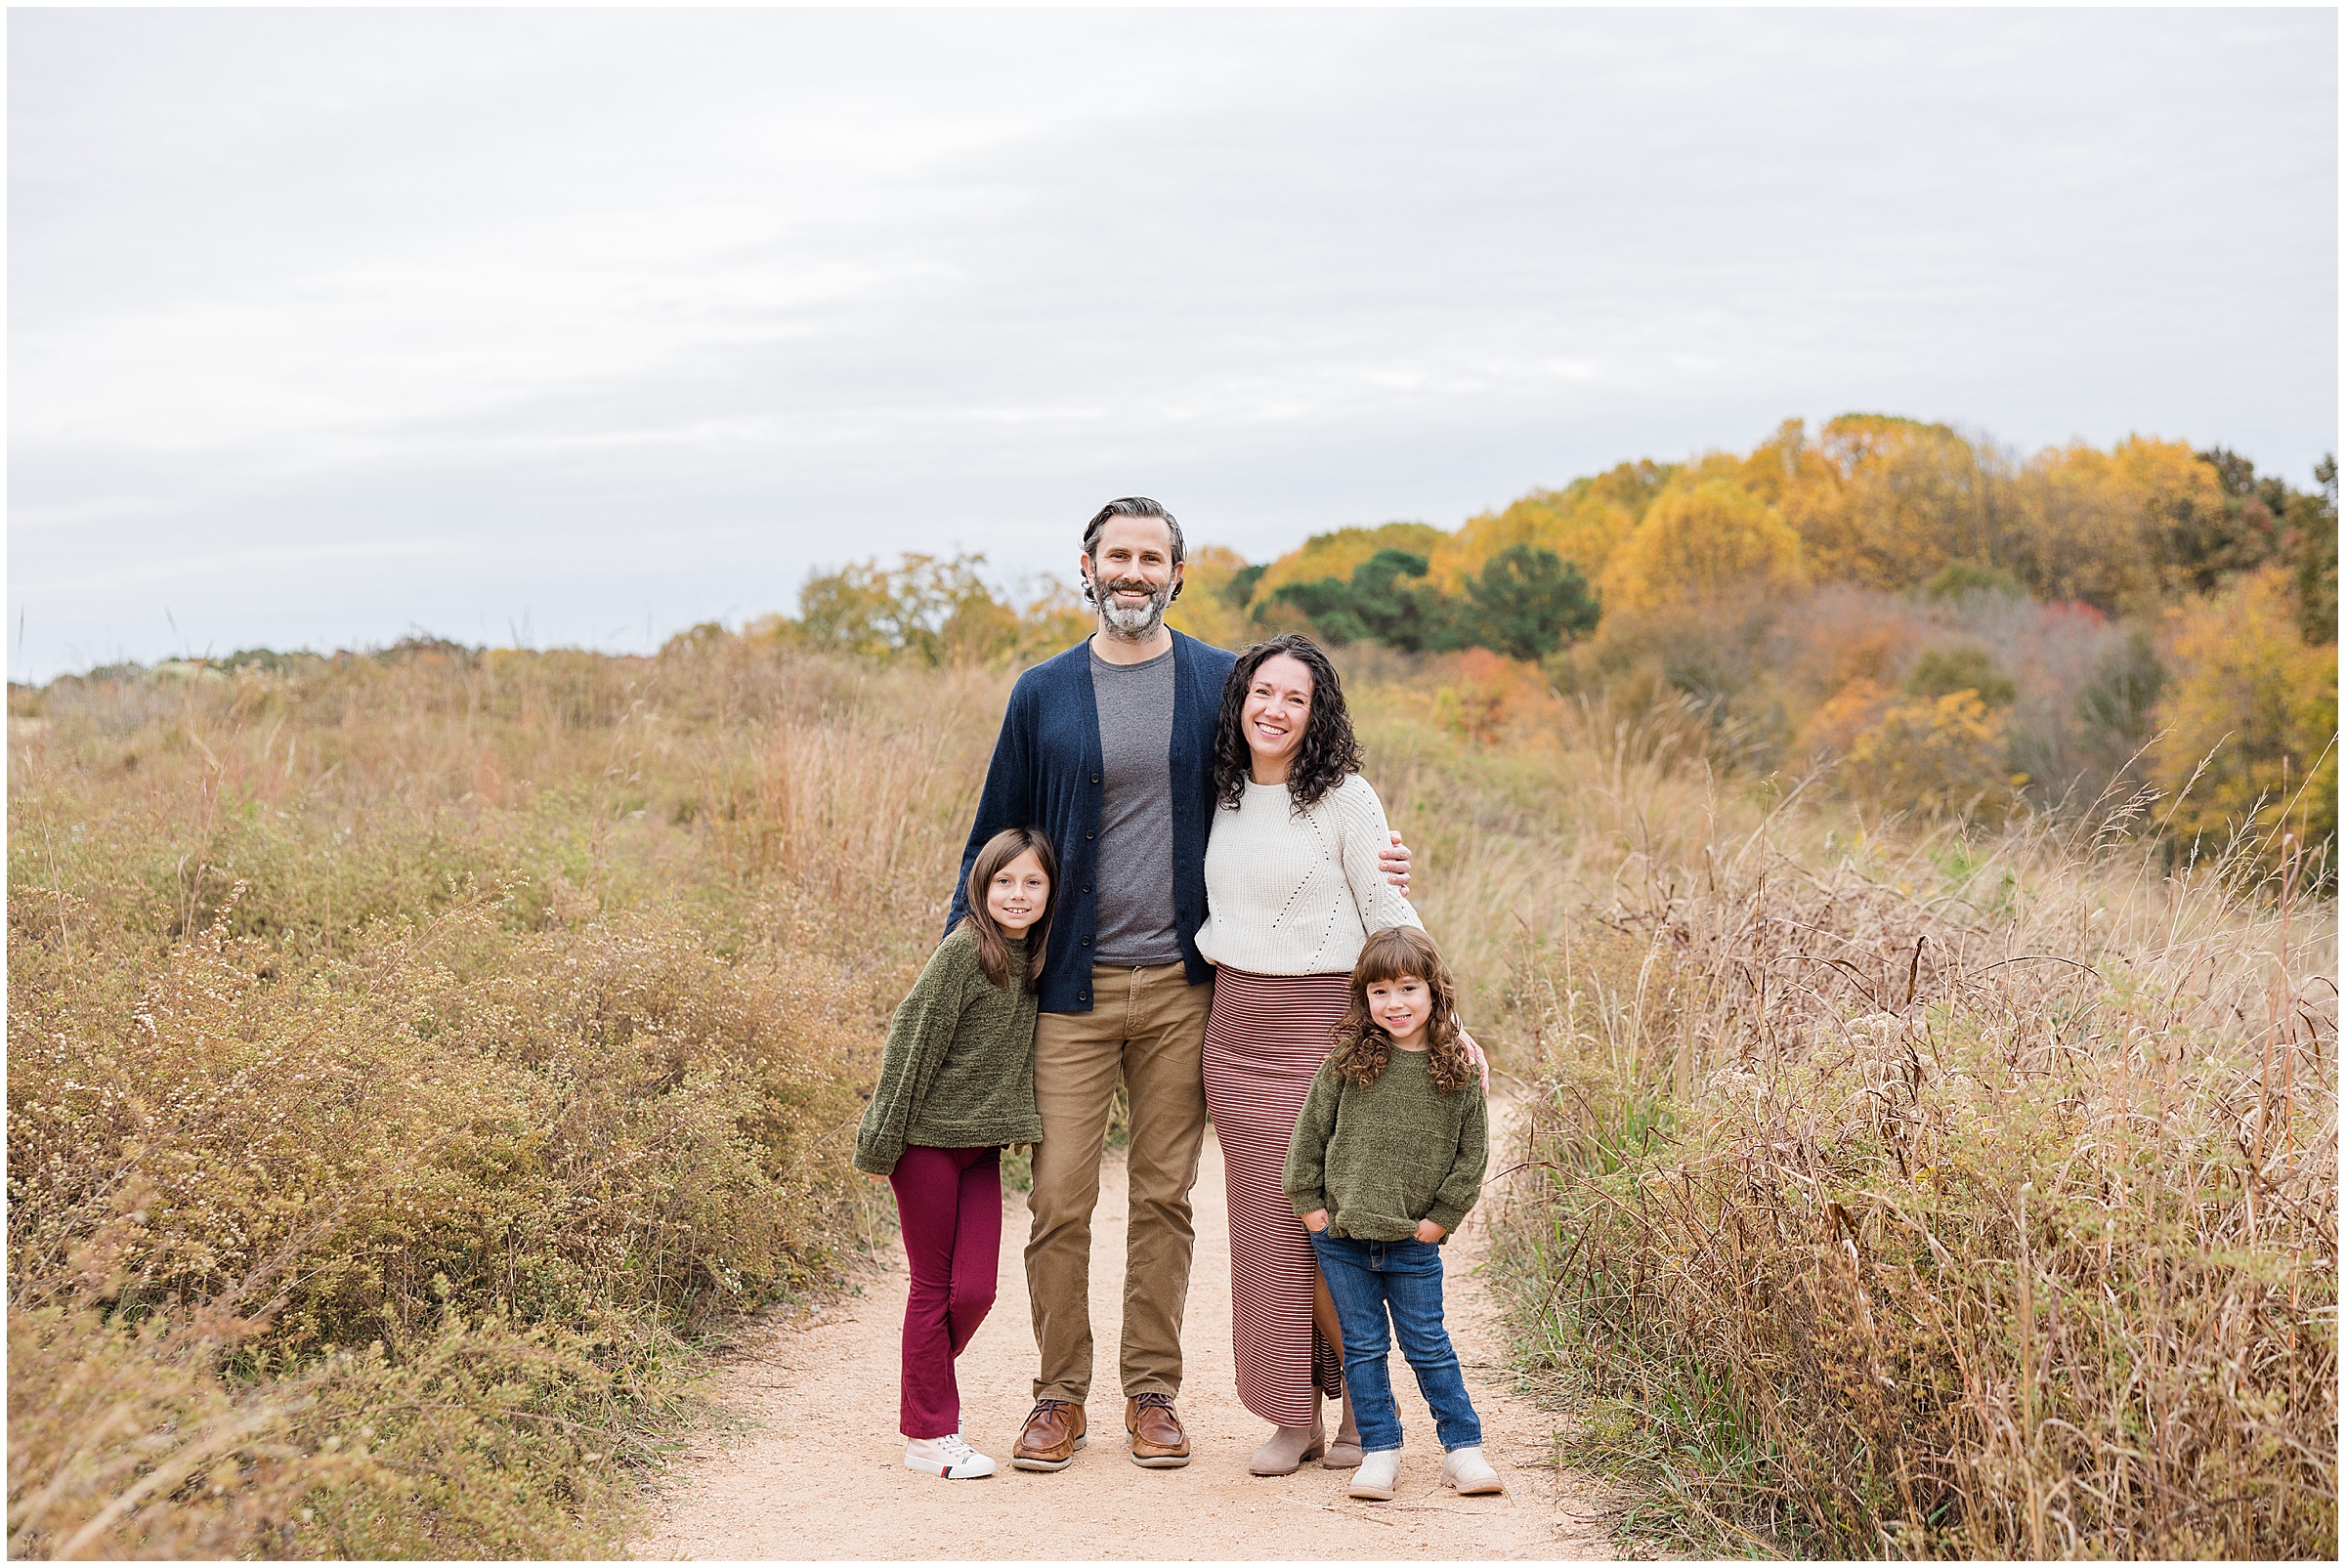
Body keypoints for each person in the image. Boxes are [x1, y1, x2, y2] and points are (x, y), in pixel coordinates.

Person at [945, 497, 1415, 1473]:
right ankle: (1057, 1397)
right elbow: (993, 840)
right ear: (1086, 566)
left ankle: (1152, 1392)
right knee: (1063, 1198)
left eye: (1151, 557)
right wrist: (965, 972)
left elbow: (1295, 780)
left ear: (1175, 574)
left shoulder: (1216, 682)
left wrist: (1375, 862)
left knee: (1165, 1197)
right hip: (1068, 991)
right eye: (1116, 554)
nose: (1133, 571)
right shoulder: (1042, 694)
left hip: (1186, 991)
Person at [1193, 632, 1425, 1476]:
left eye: (1296, 697)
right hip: (1236, 1030)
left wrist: (1439, 1012)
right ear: (1240, 701)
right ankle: (1292, 1415)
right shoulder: (1215, 791)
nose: (1275, 709)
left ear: (1317, 712)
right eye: (1263, 692)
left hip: (1323, 1031)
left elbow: (1387, 904)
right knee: (1262, 1235)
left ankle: (1369, 1407)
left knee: (1330, 1229)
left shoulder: (1344, 798)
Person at [855, 827, 1057, 1480]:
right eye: (1004, 881)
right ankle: (929, 1433)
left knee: (975, 1290)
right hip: (927, 1146)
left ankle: (926, 1389)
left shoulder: (1040, 957)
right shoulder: (963, 952)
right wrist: (883, 1138)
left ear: (1051, 890)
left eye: (1032, 881)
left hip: (981, 1148)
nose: (1018, 894)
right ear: (981, 885)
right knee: (932, 1289)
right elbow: (910, 1038)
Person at [1287, 925, 1505, 1503]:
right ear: (1364, 999)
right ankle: (1380, 1449)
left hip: (1413, 1240)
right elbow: (1309, 1139)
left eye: (1408, 988)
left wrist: (1439, 1220)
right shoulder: (1347, 1063)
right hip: (1344, 1238)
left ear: (1434, 992)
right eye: (1380, 992)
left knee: (1428, 1343)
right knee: (1361, 1346)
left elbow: (1470, 1156)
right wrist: (1312, 1209)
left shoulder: (1455, 1068)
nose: (1395, 1004)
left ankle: (1463, 1450)